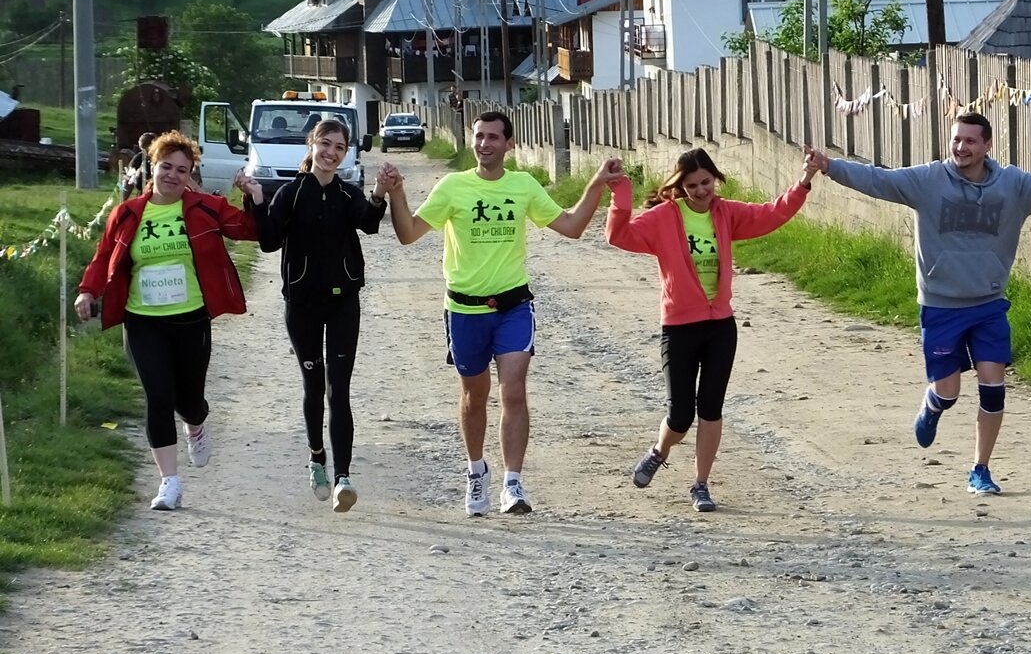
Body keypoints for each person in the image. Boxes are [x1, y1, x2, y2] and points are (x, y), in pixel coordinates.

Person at [804, 112, 1031, 495]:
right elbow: (879, 180)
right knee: (950, 391)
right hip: (941, 305)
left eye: (970, 141)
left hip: (989, 303)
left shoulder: (1014, 186)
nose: (961, 147)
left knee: (993, 387)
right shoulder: (927, 180)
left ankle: (980, 469)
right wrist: (830, 167)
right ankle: (935, 404)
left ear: (987, 145)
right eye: (956, 140)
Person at [382, 110, 623, 516]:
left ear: (509, 144)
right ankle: (477, 472)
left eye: (494, 137)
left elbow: (571, 226)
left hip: (513, 306)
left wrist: (596, 185)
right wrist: (396, 194)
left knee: (513, 390)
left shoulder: (523, 185)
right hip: (464, 309)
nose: (484, 144)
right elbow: (408, 235)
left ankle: (514, 483)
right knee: (475, 396)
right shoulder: (452, 187)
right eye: (479, 136)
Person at [606, 148, 816, 512]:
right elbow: (618, 235)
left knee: (711, 409)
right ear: (680, 186)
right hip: (679, 327)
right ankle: (660, 450)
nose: (702, 191)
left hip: (720, 326)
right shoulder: (664, 218)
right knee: (680, 415)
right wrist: (620, 191)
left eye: (706, 182)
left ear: (715, 179)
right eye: (692, 185)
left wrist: (804, 182)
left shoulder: (726, 213)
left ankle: (700, 484)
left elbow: (772, 213)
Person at [75, 131, 263, 511]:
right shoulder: (127, 213)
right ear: (153, 167)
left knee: (189, 399)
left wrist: (252, 196)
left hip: (191, 319)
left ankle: (195, 424)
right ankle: (169, 483)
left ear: (191, 173)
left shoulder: (206, 207)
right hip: (142, 320)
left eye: (182, 169)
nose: (173, 175)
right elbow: (104, 255)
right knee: (158, 395)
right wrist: (87, 291)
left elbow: (250, 230)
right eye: (166, 167)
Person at [250, 120, 391, 513]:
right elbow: (268, 241)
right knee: (313, 385)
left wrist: (379, 193)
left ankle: (343, 477)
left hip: (343, 301)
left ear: (346, 153)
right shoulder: (291, 194)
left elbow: (369, 223)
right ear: (311, 146)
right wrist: (258, 201)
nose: (331, 152)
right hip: (302, 305)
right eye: (325, 144)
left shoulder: (348, 195)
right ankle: (317, 458)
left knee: (338, 389)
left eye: (339, 147)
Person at [121, 131, 156, 201]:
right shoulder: (139, 157)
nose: (147, 153)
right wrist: (123, 201)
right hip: (142, 195)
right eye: (144, 149)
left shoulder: (163, 158)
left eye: (148, 149)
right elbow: (128, 179)